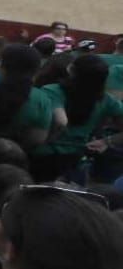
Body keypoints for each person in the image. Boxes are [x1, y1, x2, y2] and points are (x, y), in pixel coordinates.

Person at [35, 54, 123, 183]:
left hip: (44, 154)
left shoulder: (53, 91)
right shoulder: (107, 100)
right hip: (76, 157)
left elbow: (61, 122)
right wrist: (106, 141)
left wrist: (48, 140)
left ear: (71, 70)